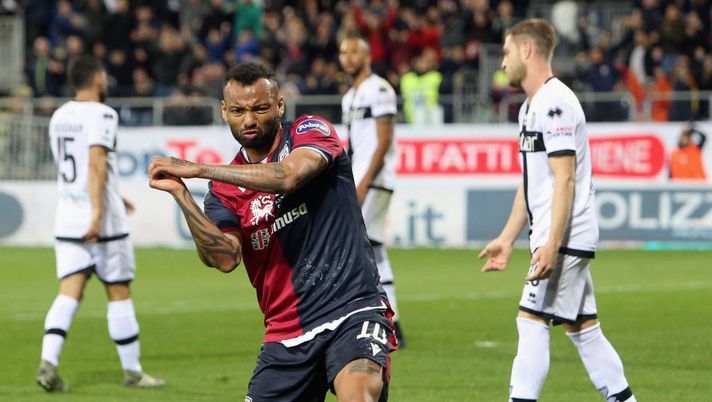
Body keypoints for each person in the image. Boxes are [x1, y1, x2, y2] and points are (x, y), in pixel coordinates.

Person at [148, 62, 396, 402]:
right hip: (286, 333)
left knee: (357, 395)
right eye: (238, 110)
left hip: (352, 308)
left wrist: (199, 169)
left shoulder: (309, 132)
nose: (249, 120)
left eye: (260, 108)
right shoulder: (223, 193)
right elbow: (224, 258)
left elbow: (289, 176)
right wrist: (181, 194)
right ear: (224, 111)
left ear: (279, 105)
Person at [477, 19, 636, 402]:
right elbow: (533, 184)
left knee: (530, 321)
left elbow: (565, 179)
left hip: (563, 237)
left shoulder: (555, 104)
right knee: (585, 331)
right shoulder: (529, 108)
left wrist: (550, 244)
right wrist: (506, 238)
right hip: (558, 236)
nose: (502, 62)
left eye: (506, 51)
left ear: (527, 50)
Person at [38, 55, 164, 392]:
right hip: (101, 223)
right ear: (97, 80)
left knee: (69, 292)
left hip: (67, 217)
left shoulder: (59, 115)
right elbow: (94, 162)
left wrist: (111, 196)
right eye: (105, 76)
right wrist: (99, 211)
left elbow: (80, 167)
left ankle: (47, 363)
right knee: (119, 291)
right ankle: (134, 372)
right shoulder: (103, 114)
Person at [339, 36, 405, 348]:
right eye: (343, 52)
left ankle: (376, 319)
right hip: (358, 179)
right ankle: (392, 325)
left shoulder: (379, 90)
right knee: (372, 250)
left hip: (374, 181)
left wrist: (364, 182)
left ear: (367, 56)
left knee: (358, 250)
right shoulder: (350, 96)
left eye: (353, 51)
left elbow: (384, 140)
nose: (347, 57)